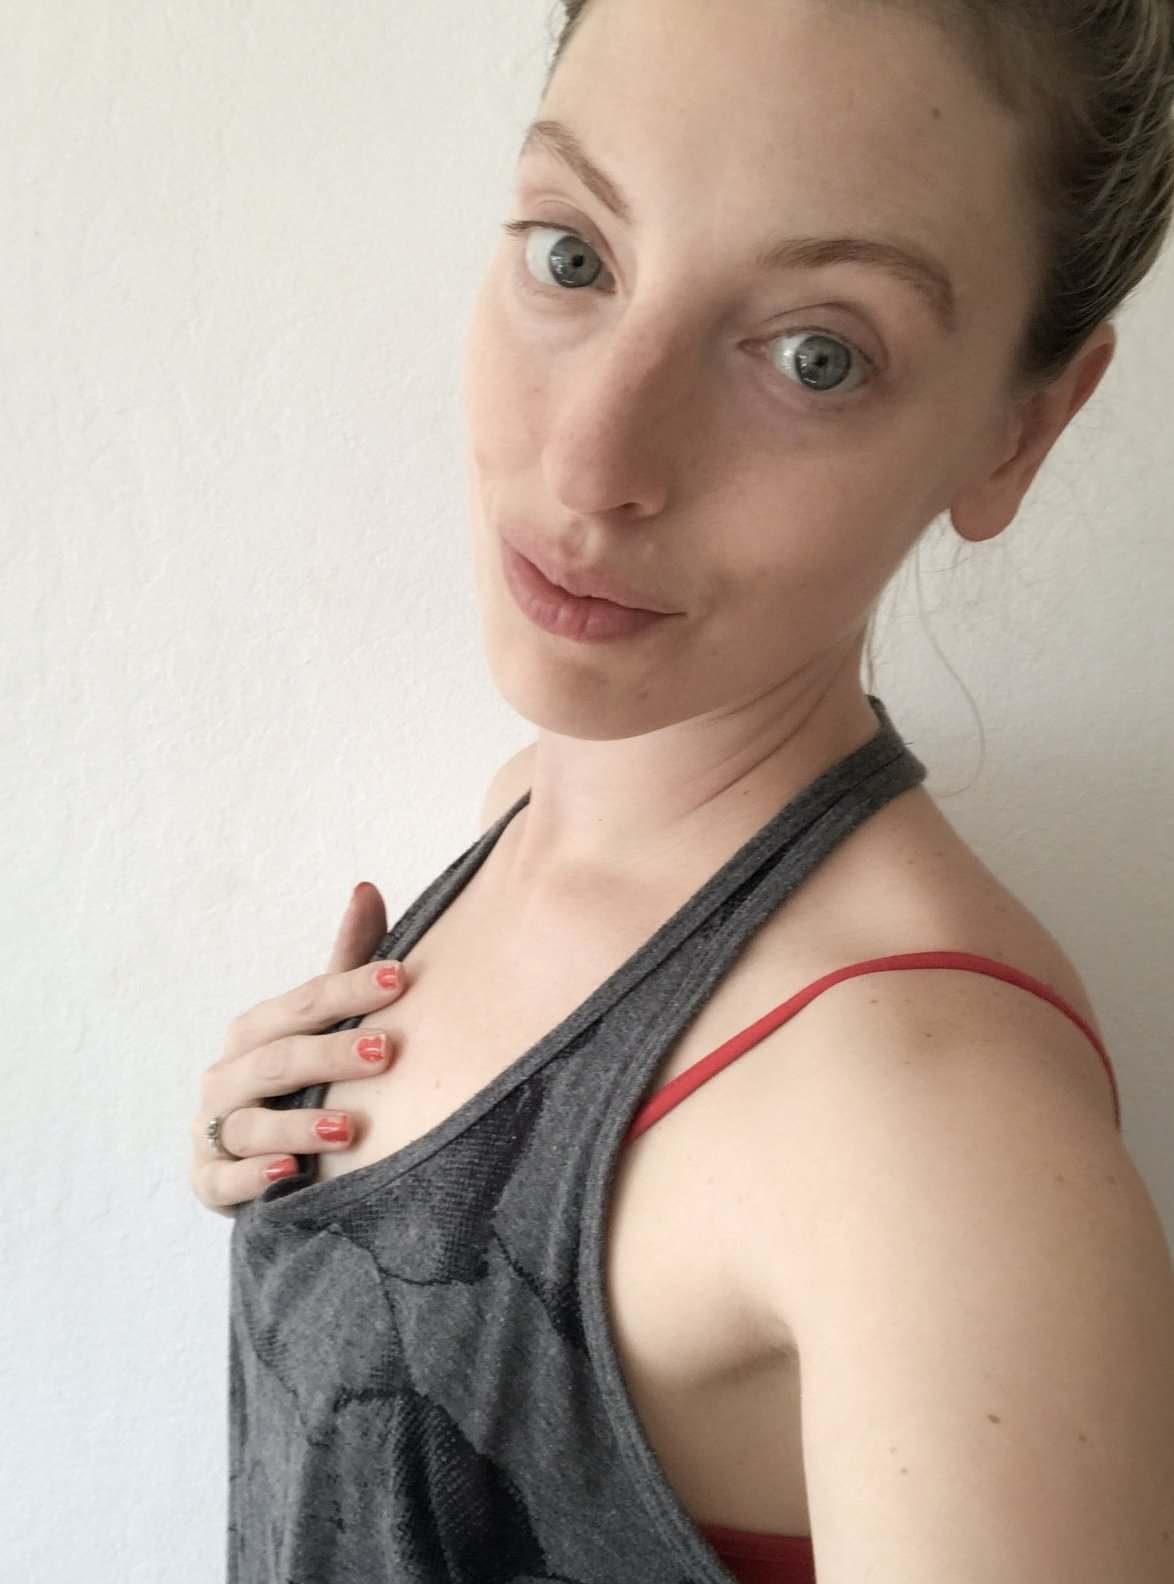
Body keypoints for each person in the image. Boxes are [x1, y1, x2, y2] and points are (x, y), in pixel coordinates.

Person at [191, 1, 1174, 1579]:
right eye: (573, 255)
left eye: (815, 355)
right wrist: (313, 1184)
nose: (590, 464)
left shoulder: (936, 1144)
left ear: (1020, 432)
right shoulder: (532, 809)